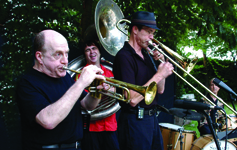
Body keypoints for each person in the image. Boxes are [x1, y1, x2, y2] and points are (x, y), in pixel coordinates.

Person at [16, 29, 108, 150]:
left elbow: (86, 104)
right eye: (58, 54)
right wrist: (81, 83)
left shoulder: (65, 78)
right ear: (39, 56)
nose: (65, 60)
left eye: (66, 53)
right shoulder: (27, 83)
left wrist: (97, 92)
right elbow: (48, 121)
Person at [113, 11, 174, 150]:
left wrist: (161, 66)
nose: (152, 38)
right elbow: (132, 99)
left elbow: (160, 89)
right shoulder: (124, 57)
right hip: (134, 121)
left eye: (153, 33)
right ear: (135, 30)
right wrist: (159, 75)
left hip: (151, 119)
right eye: (148, 32)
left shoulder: (147, 55)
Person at [76, 41, 120, 150]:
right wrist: (97, 91)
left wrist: (110, 90)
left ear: (99, 52)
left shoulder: (110, 73)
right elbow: (82, 100)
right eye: (88, 50)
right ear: (85, 54)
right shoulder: (80, 74)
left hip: (110, 125)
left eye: (94, 48)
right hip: (91, 127)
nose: (92, 52)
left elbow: (120, 92)